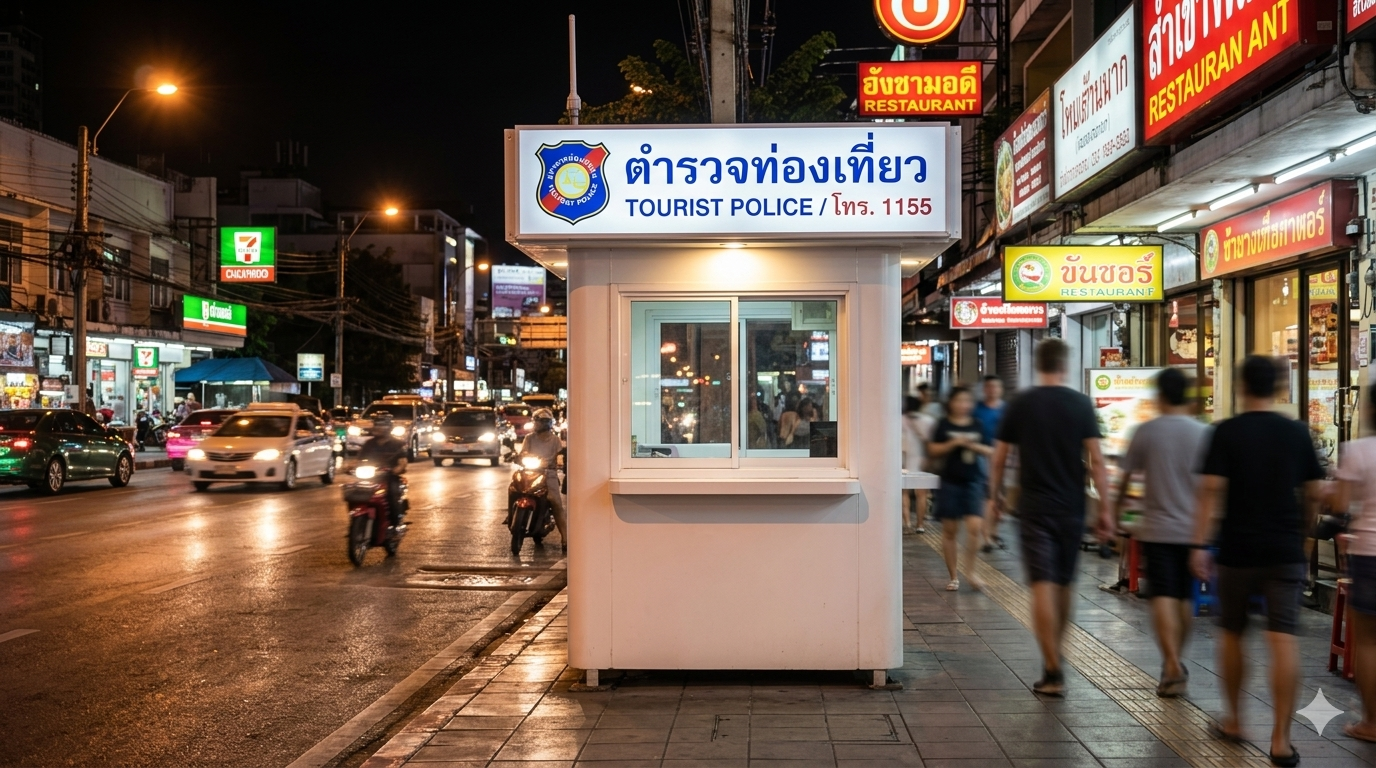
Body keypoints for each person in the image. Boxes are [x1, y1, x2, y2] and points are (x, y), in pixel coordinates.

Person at [1190, 356, 1322, 767]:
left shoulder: (1226, 431)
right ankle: (1281, 741)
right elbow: (1315, 492)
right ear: (1279, 389)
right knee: (1283, 639)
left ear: (1241, 387)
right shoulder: (1297, 432)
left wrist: (1200, 544)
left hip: (1237, 550)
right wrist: (1303, 539)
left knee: (1232, 633)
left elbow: (1210, 492)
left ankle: (1234, 720)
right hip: (1284, 551)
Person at [990, 339, 1110, 696]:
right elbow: (1098, 460)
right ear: (1064, 366)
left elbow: (999, 457)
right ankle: (1058, 654)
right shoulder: (1081, 403)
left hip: (1034, 508)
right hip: (1071, 507)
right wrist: (1106, 508)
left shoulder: (1021, 403)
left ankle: (1052, 668)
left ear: (1037, 365)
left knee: (1042, 584)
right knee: (1064, 584)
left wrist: (995, 496)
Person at [1112, 368, 1209, 698]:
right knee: (1184, 597)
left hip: (1157, 529)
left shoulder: (1146, 431)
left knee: (1162, 597)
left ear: (1161, 396)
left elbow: (1124, 479)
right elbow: (1213, 488)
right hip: (1193, 531)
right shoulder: (1204, 433)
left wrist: (1115, 514)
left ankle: (1170, 663)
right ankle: (1175, 663)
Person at [1332, 384, 1376, 743]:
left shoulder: (1357, 451)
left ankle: (1372, 723)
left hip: (1369, 553)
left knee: (1369, 642)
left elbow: (1339, 505)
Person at [929, 386, 990, 591]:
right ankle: (954, 576)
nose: (963, 405)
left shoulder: (977, 424)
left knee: (975, 528)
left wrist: (973, 446)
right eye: (959, 400)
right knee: (950, 530)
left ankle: (971, 572)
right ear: (951, 403)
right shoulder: (943, 424)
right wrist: (953, 443)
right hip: (949, 482)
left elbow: (990, 449)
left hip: (973, 481)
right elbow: (933, 450)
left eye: (967, 401)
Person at [522, 408, 568, 554]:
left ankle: (565, 538)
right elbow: (523, 453)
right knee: (516, 490)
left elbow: (559, 455)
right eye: (539, 421)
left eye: (544, 421)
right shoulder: (529, 438)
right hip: (530, 473)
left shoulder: (555, 440)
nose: (541, 424)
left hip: (549, 474)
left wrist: (560, 461)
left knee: (556, 503)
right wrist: (521, 457)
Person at [974, 375, 1008, 552]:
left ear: (1001, 389)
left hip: (1005, 457)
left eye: (995, 387)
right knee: (989, 496)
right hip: (983, 455)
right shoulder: (977, 409)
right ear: (984, 389)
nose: (992, 390)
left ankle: (994, 532)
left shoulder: (1006, 409)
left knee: (1001, 497)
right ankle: (986, 537)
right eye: (989, 386)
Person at [357, 415, 408, 527]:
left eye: (381, 425)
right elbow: (358, 460)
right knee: (355, 493)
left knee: (392, 494)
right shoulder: (369, 444)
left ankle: (395, 523)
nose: (377, 428)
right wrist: (348, 466)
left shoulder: (397, 444)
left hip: (389, 477)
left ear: (389, 427)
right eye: (376, 425)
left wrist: (397, 469)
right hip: (371, 477)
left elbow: (403, 462)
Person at [902, 395, 934, 535]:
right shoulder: (928, 421)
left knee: (904, 493)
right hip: (921, 461)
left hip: (903, 461)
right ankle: (920, 525)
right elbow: (931, 442)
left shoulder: (898, 420)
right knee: (922, 494)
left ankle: (907, 523)